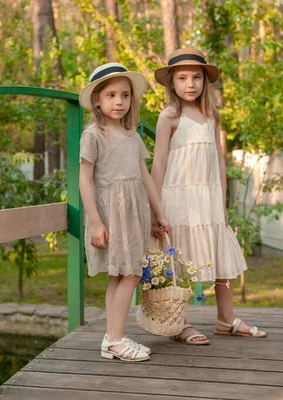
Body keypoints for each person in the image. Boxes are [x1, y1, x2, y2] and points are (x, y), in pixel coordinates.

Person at [151, 48, 267, 344]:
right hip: (178, 201)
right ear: (172, 83)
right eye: (182, 78)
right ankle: (179, 323)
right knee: (181, 261)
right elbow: (159, 163)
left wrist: (223, 201)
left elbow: (218, 158)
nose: (190, 84)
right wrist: (155, 208)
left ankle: (225, 320)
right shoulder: (170, 117)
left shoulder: (211, 116)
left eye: (196, 78)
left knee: (220, 256)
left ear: (205, 82)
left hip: (209, 199)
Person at [78, 62, 171, 361]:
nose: (119, 102)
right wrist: (94, 221)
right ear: (96, 100)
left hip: (135, 213)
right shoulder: (94, 135)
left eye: (125, 95)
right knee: (128, 274)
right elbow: (84, 179)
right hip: (110, 214)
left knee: (123, 275)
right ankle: (114, 339)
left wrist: (159, 214)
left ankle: (113, 337)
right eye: (111, 95)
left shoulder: (132, 135)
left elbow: (145, 178)